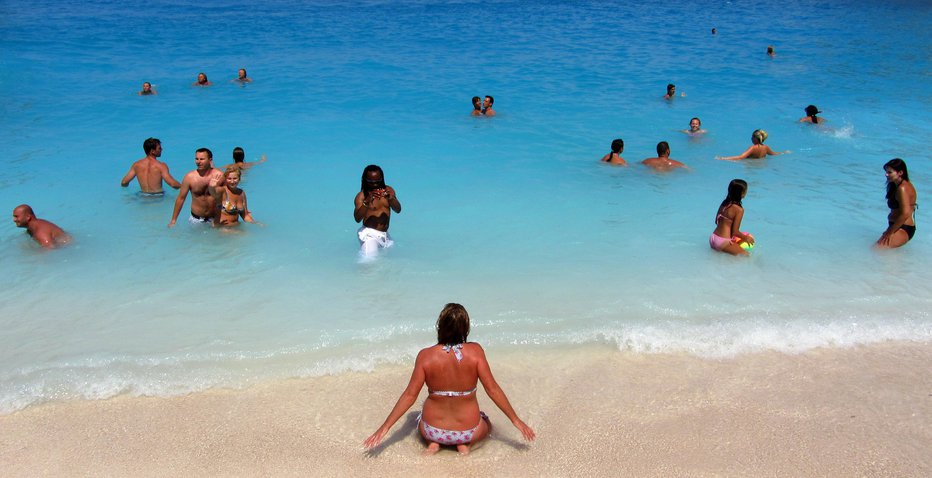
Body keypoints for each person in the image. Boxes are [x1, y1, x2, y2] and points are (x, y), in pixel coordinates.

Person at [364, 303, 536, 455]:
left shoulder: (425, 356)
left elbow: (409, 395)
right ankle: (464, 445)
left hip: (431, 430)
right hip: (469, 430)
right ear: (466, 328)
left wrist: (384, 428)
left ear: (440, 327)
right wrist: (516, 421)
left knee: (420, 415)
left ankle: (434, 444)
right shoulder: (476, 352)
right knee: (487, 423)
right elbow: (493, 389)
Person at [353, 165, 401, 257]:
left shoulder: (389, 190)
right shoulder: (362, 196)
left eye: (378, 181)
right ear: (365, 180)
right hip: (370, 236)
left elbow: (398, 210)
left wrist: (391, 199)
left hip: (385, 235)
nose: (375, 184)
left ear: (382, 178)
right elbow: (357, 218)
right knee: (368, 264)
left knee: (390, 260)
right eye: (371, 182)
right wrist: (367, 202)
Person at [168, 148, 224, 227]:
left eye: (202, 159)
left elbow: (225, 198)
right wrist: (173, 221)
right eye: (196, 159)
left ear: (210, 160)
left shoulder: (219, 176)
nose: (198, 162)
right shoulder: (189, 177)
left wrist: (219, 220)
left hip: (215, 219)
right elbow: (181, 198)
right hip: (196, 220)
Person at [877, 158, 917, 248]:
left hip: (903, 227)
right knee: (885, 255)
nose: (886, 174)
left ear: (900, 173)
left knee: (876, 250)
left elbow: (905, 213)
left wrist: (889, 232)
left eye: (890, 172)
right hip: (895, 226)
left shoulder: (902, 188)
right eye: (886, 171)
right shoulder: (894, 185)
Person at [709, 179, 754, 256]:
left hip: (713, 238)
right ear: (742, 193)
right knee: (746, 255)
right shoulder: (739, 210)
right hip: (723, 241)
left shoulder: (724, 202)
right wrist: (745, 238)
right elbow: (735, 232)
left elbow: (716, 221)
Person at [716, 129, 790, 160]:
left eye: (752, 137)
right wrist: (784, 152)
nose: (751, 138)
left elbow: (740, 157)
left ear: (755, 138)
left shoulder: (753, 148)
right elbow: (774, 154)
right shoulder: (766, 147)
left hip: (751, 167)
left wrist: (723, 158)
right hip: (760, 167)